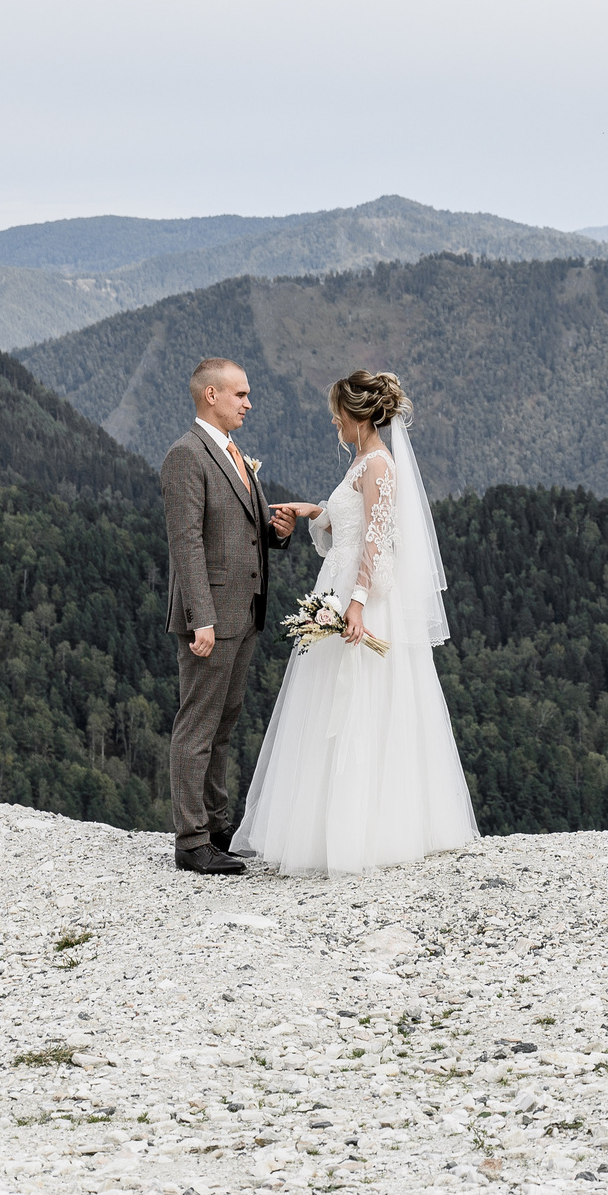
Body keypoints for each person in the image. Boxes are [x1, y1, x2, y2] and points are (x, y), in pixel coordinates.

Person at [237, 370, 480, 876]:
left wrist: (358, 603)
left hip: (358, 591)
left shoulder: (380, 466)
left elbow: (375, 538)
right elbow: (349, 520)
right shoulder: (362, 462)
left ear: (359, 415)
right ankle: (327, 827)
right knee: (328, 702)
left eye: (338, 413)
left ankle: (361, 831)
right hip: (341, 580)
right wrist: (315, 512)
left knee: (361, 702)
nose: (333, 420)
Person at [161, 357, 289, 876]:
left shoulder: (233, 453)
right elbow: (186, 544)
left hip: (246, 611)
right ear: (211, 395)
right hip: (212, 616)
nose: (249, 403)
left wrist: (275, 530)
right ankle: (191, 841)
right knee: (197, 725)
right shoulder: (185, 456)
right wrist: (201, 619)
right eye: (240, 394)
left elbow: (242, 526)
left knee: (224, 723)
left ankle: (217, 828)